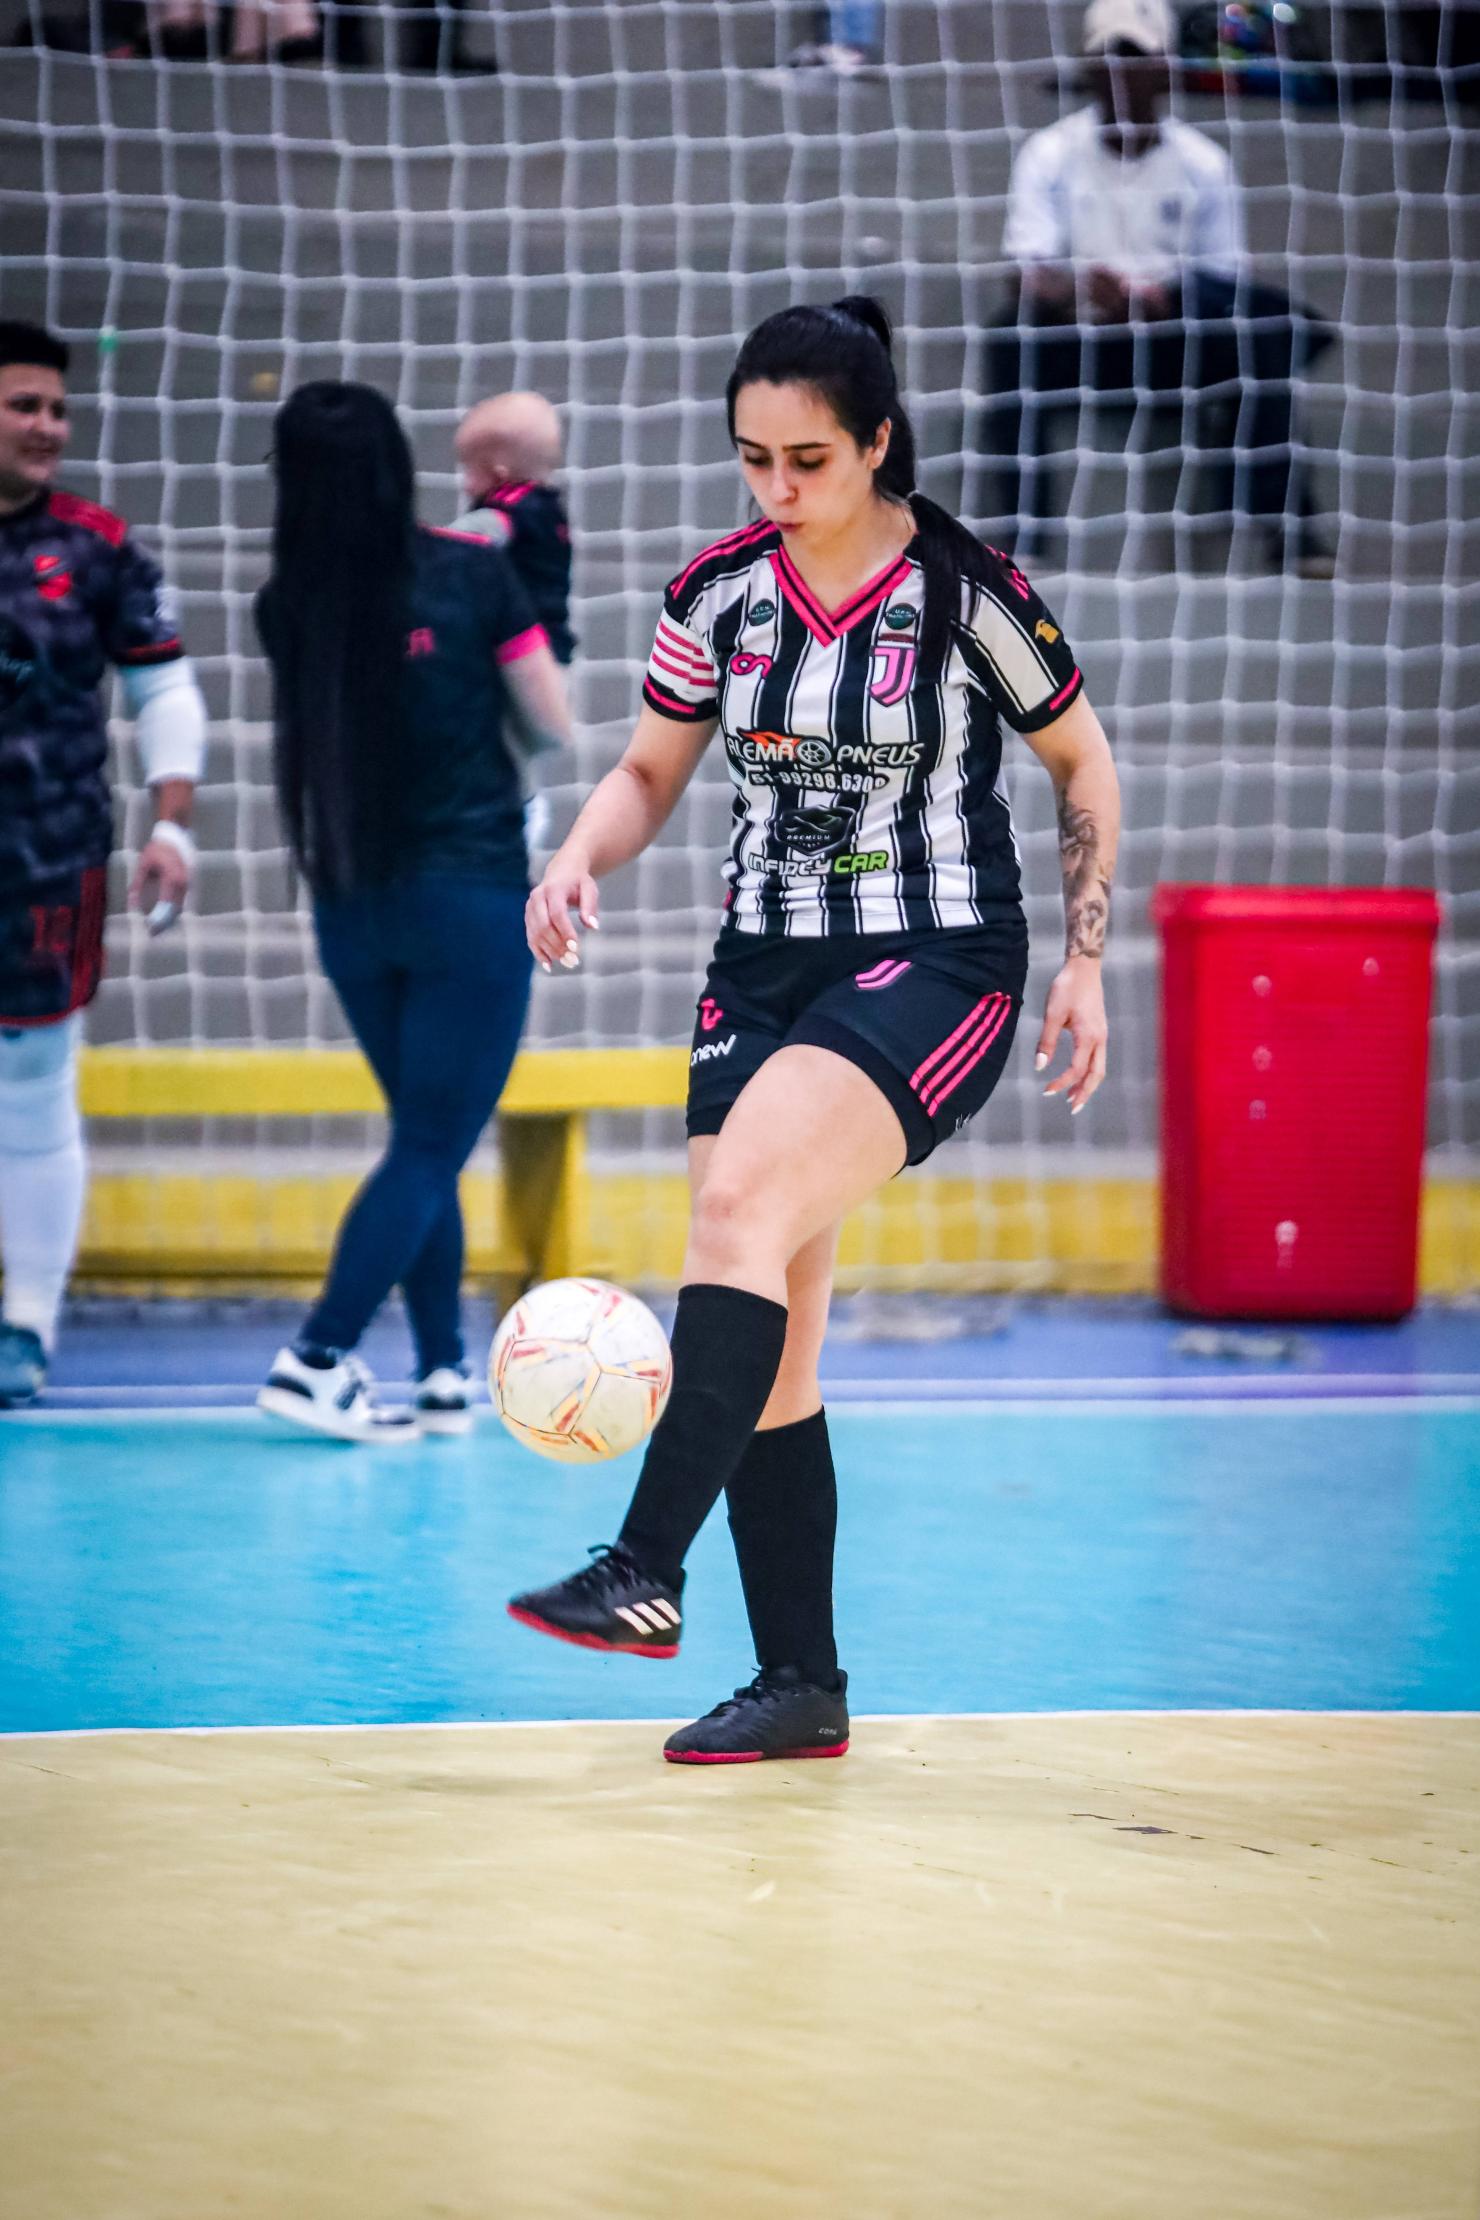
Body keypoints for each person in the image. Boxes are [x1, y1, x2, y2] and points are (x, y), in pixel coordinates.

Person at [507, 297, 1120, 1765]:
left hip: (935, 960)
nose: (778, 490)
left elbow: (1080, 760)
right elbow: (653, 770)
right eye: (754, 459)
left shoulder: (967, 589)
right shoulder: (719, 593)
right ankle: (802, 1687)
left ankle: (641, 1568)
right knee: (772, 1343)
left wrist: (1087, 963)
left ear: (877, 445)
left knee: (733, 1206)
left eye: (809, 460)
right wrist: (583, 850)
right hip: (762, 969)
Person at [254, 382, 570, 1444]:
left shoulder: (285, 603)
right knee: (432, 1143)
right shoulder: (474, 573)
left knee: (420, 1140)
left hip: (351, 909)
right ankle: (316, 1355)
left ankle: (442, 1373)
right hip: (470, 901)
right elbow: (552, 724)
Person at [0, 318, 206, 1408]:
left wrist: (172, 823)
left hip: (46, 864)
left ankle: (25, 1325)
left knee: (35, 1092)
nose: (46, 427)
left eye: (56, 409)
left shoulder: (98, 546)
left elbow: (162, 689)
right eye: (23, 406)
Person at [979, 0, 1337, 576]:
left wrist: (1163, 301)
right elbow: (1026, 267)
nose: (1122, 76)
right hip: (1087, 340)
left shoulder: (1202, 163)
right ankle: (1025, 536)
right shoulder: (1051, 152)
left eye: (1136, 60)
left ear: (1165, 69)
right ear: (1090, 69)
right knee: (1009, 337)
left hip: (1175, 338)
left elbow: (1226, 280)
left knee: (1256, 335)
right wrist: (1081, 290)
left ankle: (1293, 533)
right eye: (1110, 60)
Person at [453, 392, 574, 668]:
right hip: (555, 646)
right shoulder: (549, 509)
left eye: (470, 471)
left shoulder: (507, 512)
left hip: (520, 652)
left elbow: (461, 542)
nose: (465, 485)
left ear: (499, 474)